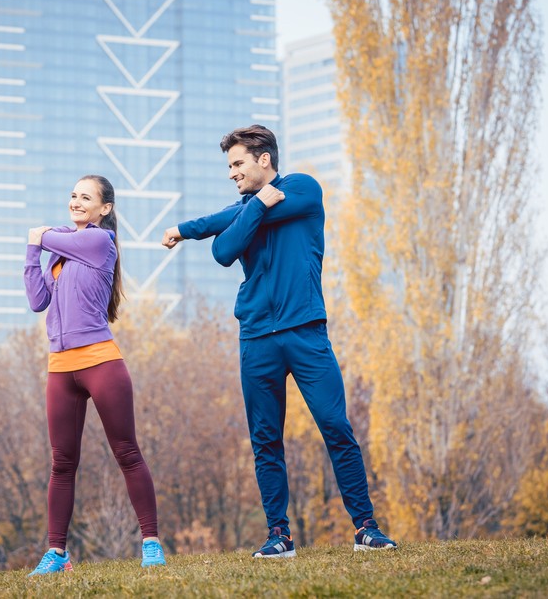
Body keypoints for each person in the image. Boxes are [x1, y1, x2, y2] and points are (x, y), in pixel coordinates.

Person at [162, 125, 397, 558]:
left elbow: (229, 226)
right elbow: (223, 251)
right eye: (229, 166)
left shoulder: (304, 189)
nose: (231, 173)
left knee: (336, 427)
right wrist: (246, 211)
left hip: (305, 330)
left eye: (237, 163)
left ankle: (366, 528)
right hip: (256, 338)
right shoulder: (249, 209)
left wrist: (198, 226)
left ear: (263, 159)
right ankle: (279, 536)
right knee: (265, 439)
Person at [25, 174, 166, 575]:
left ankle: (151, 543)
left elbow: (52, 238)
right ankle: (57, 553)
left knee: (126, 452)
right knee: (61, 462)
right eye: (72, 195)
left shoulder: (99, 241)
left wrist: (39, 235)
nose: (76, 201)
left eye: (85, 197)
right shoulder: (58, 248)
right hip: (60, 366)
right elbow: (38, 301)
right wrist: (31, 253)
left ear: (104, 209)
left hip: (101, 361)